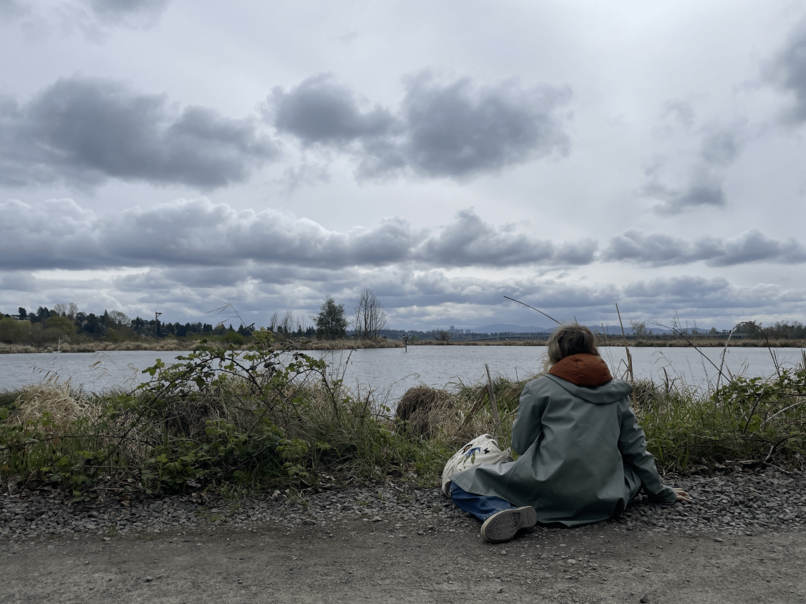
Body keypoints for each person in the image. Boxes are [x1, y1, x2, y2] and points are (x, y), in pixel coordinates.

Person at [449, 324, 692, 543]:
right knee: (633, 474)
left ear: (554, 353)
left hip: (549, 492)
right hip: (604, 500)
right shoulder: (617, 392)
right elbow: (636, 450)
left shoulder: (538, 389)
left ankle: (496, 511)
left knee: (460, 482)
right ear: (592, 350)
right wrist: (660, 492)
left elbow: (520, 445)